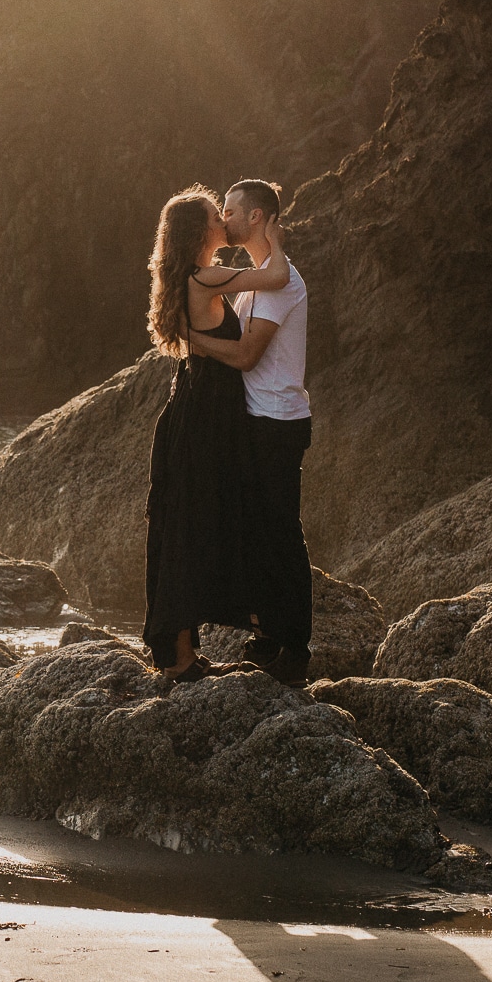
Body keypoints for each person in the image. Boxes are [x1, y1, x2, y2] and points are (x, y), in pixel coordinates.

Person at [141, 185, 290, 681]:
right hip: (204, 415)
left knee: (186, 525)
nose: (224, 222)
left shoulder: (184, 277)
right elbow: (277, 276)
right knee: (190, 527)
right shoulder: (205, 276)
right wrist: (272, 234)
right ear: (201, 231)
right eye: (215, 215)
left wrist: (196, 340)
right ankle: (180, 660)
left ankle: (182, 651)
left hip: (194, 407)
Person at [187, 178, 313, 686]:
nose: (225, 219)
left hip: (278, 424)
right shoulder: (261, 275)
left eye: (232, 211)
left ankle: (295, 648)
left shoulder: (284, 283)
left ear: (256, 217)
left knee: (282, 536)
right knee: (257, 533)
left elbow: (245, 354)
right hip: (257, 422)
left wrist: (192, 341)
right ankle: (268, 634)